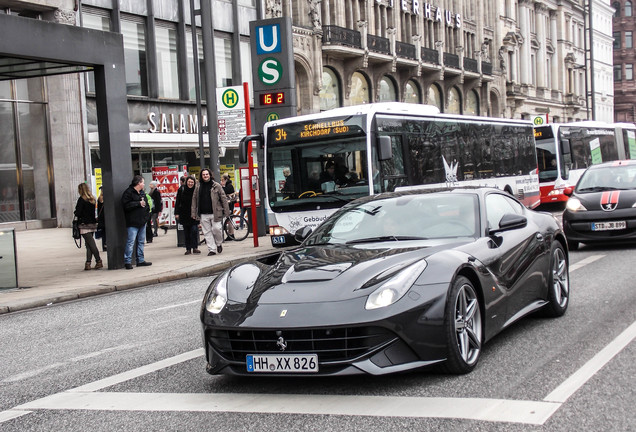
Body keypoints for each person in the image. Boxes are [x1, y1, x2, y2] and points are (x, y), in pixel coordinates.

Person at [191, 169, 230, 256]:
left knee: (217, 229)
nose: (205, 176)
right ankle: (212, 249)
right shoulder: (198, 186)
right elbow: (194, 200)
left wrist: (226, 211)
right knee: (207, 232)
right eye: (203, 174)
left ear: (210, 175)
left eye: (207, 174)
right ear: (201, 176)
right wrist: (193, 213)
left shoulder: (216, 185)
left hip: (215, 212)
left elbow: (223, 198)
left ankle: (219, 243)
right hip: (203, 213)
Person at [121, 175, 152, 270]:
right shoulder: (128, 193)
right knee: (131, 242)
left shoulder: (142, 193)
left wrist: (146, 217)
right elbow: (126, 205)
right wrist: (138, 203)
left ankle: (140, 260)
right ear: (138, 183)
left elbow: (146, 205)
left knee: (141, 241)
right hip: (132, 221)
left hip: (142, 221)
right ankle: (127, 261)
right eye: (142, 182)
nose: (143, 184)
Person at [74, 183, 102, 270]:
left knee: (91, 244)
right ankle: (88, 263)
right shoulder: (92, 199)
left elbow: (78, 212)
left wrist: (76, 212)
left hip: (84, 224)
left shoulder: (81, 200)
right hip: (92, 223)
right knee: (88, 244)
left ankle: (98, 260)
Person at [175, 175, 200, 255]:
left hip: (194, 213)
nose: (190, 184)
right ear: (186, 182)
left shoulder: (196, 189)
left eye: (192, 182)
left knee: (194, 230)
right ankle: (188, 248)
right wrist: (177, 213)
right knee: (187, 232)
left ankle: (195, 247)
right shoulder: (181, 189)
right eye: (189, 182)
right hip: (184, 213)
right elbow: (177, 202)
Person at [220, 173, 237, 240]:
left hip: (229, 204)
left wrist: (222, 186)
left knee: (229, 219)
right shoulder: (229, 185)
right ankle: (230, 234)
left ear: (226, 180)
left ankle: (231, 234)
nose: (221, 182)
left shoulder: (229, 186)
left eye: (222, 180)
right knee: (229, 219)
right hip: (229, 204)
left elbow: (224, 192)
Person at [96, 187, 106, 252]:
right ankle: (105, 245)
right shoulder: (103, 198)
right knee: (105, 233)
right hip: (104, 218)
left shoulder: (100, 198)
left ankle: (104, 245)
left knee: (104, 233)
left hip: (102, 218)